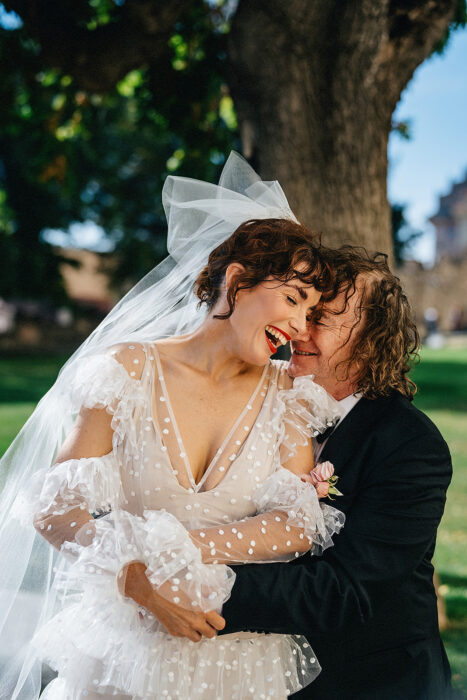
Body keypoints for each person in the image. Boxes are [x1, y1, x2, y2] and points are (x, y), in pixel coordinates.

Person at [0, 153, 346, 700]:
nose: (300, 326)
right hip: (123, 656)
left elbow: (298, 523)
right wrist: (133, 580)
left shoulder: (288, 398)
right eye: (293, 300)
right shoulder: (127, 372)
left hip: (235, 661)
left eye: (310, 313)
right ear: (237, 281)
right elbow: (52, 507)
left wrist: (178, 547)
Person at [220, 247, 455, 699]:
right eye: (301, 310)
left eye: (320, 319)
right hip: (263, 676)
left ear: (368, 341)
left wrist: (201, 588)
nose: (298, 329)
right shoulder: (261, 406)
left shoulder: (410, 445)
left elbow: (345, 591)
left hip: (373, 682)